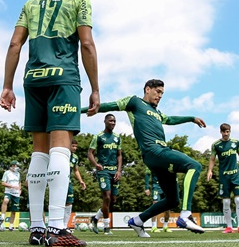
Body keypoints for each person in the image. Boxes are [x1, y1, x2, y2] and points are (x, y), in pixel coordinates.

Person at [0, 0, 99, 247]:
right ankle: (56, 228)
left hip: (32, 79)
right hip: (62, 77)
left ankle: (36, 228)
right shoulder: (80, 0)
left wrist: (7, 86)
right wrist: (95, 89)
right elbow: (87, 44)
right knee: (60, 148)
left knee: (39, 150)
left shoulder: (30, 2)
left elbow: (14, 44)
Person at [83, 79, 207, 237]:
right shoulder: (134, 102)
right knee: (194, 166)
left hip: (158, 155)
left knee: (172, 200)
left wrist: (191, 118)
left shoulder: (157, 112)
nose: (160, 96)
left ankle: (138, 221)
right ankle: (185, 215)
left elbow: (170, 119)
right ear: (147, 89)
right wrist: (79, 110)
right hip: (154, 150)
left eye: (162, 93)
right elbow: (108, 105)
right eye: (158, 92)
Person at [207, 123, 239, 234]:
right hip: (224, 176)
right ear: (221, 132)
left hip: (236, 175)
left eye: (228, 131)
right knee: (226, 202)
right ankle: (229, 227)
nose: (226, 134)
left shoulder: (235, 143)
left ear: (230, 131)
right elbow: (212, 159)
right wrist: (210, 171)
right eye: (224, 132)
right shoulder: (216, 145)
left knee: (238, 200)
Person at [87, 114, 123, 235]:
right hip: (103, 171)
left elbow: (119, 155)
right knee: (106, 197)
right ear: (105, 121)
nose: (113, 123)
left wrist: (119, 170)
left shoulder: (117, 138)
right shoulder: (98, 137)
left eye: (114, 121)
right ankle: (107, 227)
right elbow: (90, 153)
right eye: (111, 120)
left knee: (112, 200)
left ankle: (95, 218)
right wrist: (95, 164)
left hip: (114, 171)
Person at [64, 138, 86, 232]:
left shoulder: (75, 157)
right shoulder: (63, 155)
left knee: (69, 202)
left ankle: (65, 226)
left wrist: (81, 181)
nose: (75, 148)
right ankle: (57, 225)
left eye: (76, 146)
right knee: (59, 203)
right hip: (59, 181)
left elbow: (75, 170)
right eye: (73, 146)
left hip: (68, 181)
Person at [144, 167, 173, 233]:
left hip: (166, 187)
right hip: (156, 187)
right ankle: (153, 226)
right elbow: (147, 174)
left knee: (168, 206)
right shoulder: (152, 162)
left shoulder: (167, 162)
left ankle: (165, 226)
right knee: (155, 205)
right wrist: (146, 187)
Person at [0, 161, 21, 232]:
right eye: (16, 166)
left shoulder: (18, 174)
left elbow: (19, 182)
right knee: (6, 200)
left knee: (14, 210)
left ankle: (11, 226)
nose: (17, 167)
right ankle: (2, 217)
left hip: (16, 194)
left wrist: (20, 189)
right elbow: (3, 183)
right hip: (8, 192)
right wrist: (11, 186)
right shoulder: (7, 173)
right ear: (12, 166)